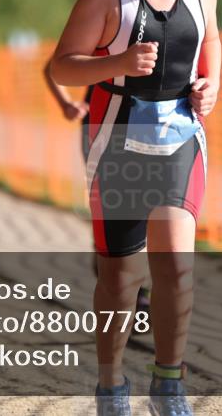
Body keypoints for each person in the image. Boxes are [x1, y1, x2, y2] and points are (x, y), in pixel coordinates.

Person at [50, 0, 221, 416]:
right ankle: (111, 386)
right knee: (121, 278)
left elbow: (210, 39)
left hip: (181, 140)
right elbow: (61, 65)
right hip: (118, 143)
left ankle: (169, 384)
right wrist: (117, 65)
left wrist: (211, 83)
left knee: (175, 265)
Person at [42, 68, 153, 318]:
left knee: (149, 214)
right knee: (110, 216)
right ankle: (118, 287)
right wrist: (66, 104)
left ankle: (141, 294)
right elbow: (54, 67)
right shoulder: (103, 27)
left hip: (152, 125)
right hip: (100, 127)